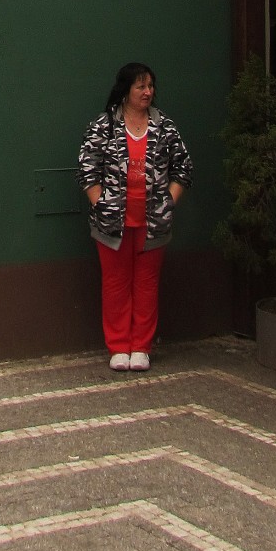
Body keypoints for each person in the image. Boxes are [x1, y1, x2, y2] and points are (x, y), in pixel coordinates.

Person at [77, 61, 192, 372]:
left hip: (153, 222)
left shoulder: (165, 126)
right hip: (111, 223)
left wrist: (168, 201)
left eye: (150, 86)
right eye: (140, 86)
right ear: (125, 90)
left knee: (146, 283)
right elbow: (87, 168)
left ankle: (141, 346)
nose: (147, 92)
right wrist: (101, 203)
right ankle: (118, 346)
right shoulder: (104, 125)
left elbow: (183, 167)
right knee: (115, 283)